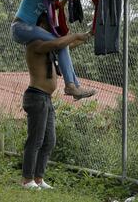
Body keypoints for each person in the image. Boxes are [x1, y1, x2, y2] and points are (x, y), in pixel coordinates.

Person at [21, 13, 91, 190]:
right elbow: (59, 43)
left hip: (46, 98)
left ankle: (38, 178)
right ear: (40, 25)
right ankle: (26, 179)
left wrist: (90, 34)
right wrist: (73, 36)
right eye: (49, 25)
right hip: (36, 96)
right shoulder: (35, 43)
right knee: (35, 140)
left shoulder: (49, 46)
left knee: (49, 140)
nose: (52, 28)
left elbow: (66, 46)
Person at [11, 0, 95, 100]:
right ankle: (71, 86)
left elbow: (55, 4)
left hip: (26, 28)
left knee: (64, 45)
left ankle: (74, 85)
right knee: (60, 43)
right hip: (21, 27)